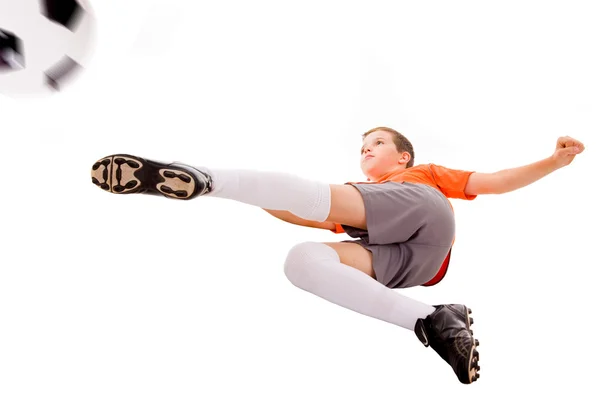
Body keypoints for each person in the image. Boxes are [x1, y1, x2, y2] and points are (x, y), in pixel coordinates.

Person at [90, 127, 585, 384]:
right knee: (301, 259)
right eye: (363, 147)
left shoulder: (421, 175)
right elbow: (298, 212)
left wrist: (554, 161)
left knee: (320, 194)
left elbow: (494, 182)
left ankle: (205, 178)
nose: (366, 152)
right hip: (407, 267)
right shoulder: (360, 206)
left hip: (430, 224)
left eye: (376, 145)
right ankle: (434, 321)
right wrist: (261, 194)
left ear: (403, 157)